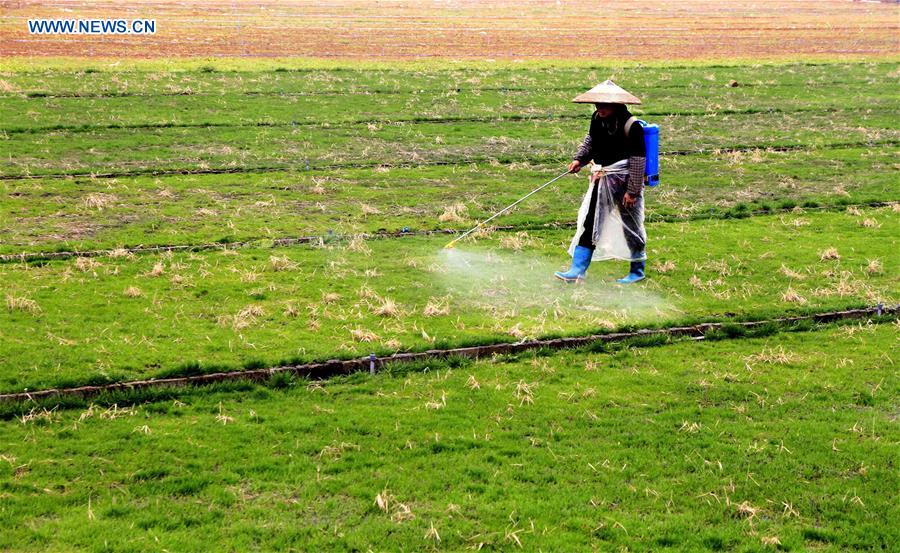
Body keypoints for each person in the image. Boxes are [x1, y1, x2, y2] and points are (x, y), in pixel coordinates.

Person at [554, 80, 648, 284]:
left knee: (631, 225)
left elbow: (638, 161)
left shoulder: (632, 126)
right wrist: (579, 159)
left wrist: (632, 192)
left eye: (603, 105)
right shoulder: (597, 119)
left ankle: (637, 270)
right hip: (603, 177)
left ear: (615, 105)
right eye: (597, 105)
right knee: (591, 222)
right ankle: (577, 269)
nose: (599, 109)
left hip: (624, 180)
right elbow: (591, 141)